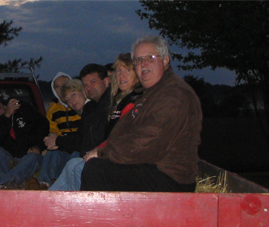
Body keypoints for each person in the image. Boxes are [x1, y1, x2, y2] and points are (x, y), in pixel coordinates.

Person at [81, 36, 202, 192]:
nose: (143, 64)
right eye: (138, 60)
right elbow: (127, 133)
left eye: (150, 58)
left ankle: (96, 217)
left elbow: (149, 142)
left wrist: (103, 152)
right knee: (91, 166)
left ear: (165, 60)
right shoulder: (150, 94)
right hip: (150, 166)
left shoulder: (174, 95)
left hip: (170, 178)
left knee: (96, 170)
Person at [50, 54, 143, 191]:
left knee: (80, 166)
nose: (89, 87)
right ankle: (45, 201)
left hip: (118, 159)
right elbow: (83, 138)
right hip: (99, 154)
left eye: (93, 82)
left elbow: (115, 138)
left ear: (106, 82)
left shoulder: (117, 102)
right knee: (72, 164)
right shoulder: (91, 108)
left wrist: (97, 151)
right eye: (86, 85)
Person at [0, 95, 49, 188]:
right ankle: (6, 182)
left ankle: (4, 184)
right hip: (10, 158)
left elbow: (43, 125)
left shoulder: (19, 107)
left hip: (30, 156)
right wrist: (6, 116)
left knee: (33, 157)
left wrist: (37, 146)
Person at [37, 72, 82, 189]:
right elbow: (52, 129)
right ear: (54, 89)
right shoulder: (53, 109)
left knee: (74, 155)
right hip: (62, 141)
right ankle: (44, 182)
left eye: (65, 83)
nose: (61, 88)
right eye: (57, 86)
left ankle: (61, 182)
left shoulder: (79, 105)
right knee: (52, 151)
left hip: (76, 142)